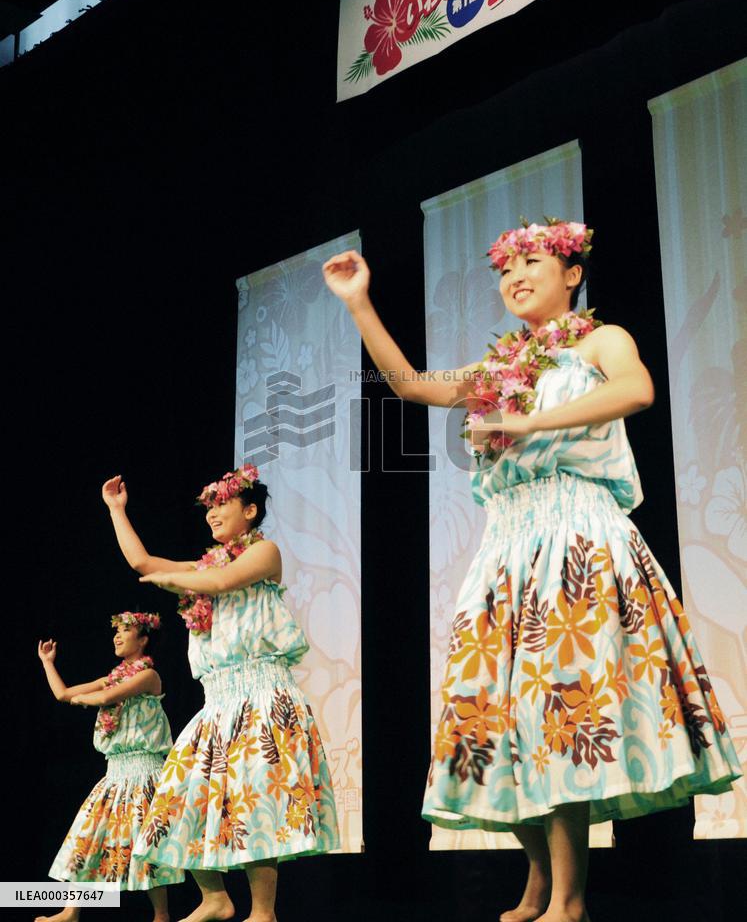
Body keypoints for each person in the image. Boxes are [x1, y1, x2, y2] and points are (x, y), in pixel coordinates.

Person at [322, 220, 741, 922]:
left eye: (533, 262)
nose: (514, 276)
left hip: (575, 533)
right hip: (506, 545)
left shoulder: (597, 340)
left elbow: (635, 391)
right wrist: (358, 302)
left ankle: (569, 899)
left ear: (571, 273)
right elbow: (411, 385)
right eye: (504, 268)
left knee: (559, 709)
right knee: (494, 715)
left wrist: (528, 425)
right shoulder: (498, 368)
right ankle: (539, 881)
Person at [101, 465, 339, 922]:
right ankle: (215, 897)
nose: (212, 515)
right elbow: (142, 563)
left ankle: (262, 912)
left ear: (250, 511)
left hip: (262, 693)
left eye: (222, 505)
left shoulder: (264, 553)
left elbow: (220, 584)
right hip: (217, 701)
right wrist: (116, 510)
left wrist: (173, 579)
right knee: (175, 796)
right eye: (209, 508)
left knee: (258, 800)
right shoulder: (207, 565)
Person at [36, 611, 182, 922]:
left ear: (143, 639)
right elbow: (63, 694)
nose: (116, 636)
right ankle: (70, 911)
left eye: (125, 631)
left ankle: (161, 915)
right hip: (115, 772)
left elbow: (106, 696)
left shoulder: (148, 676)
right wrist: (48, 662)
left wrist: (85, 700)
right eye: (115, 631)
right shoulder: (112, 675)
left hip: (145, 772)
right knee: (87, 835)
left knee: (146, 844)